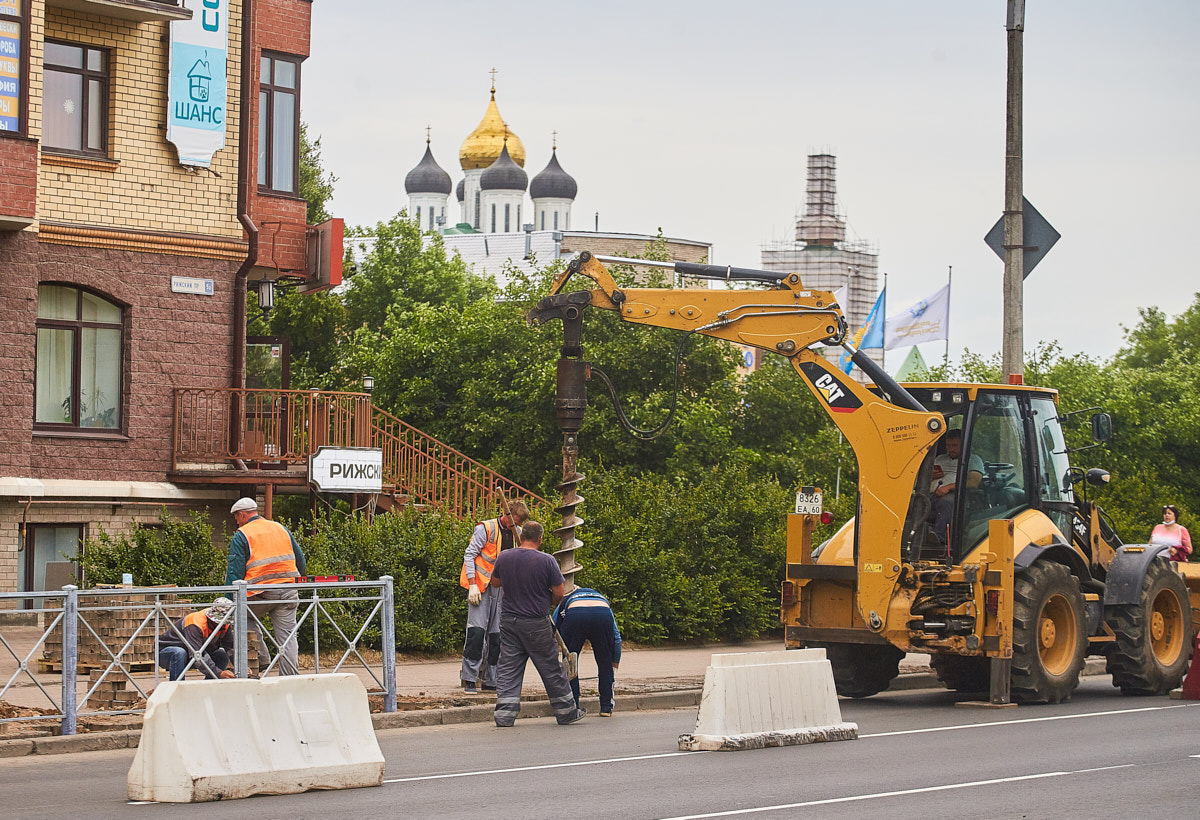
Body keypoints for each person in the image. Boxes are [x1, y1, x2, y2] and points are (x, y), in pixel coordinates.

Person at [490, 521, 586, 727]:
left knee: (508, 668)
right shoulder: (547, 561)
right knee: (550, 667)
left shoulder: (505, 556)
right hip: (536, 623)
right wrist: (547, 599)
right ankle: (566, 711)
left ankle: (504, 715)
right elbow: (559, 593)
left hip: (509, 622)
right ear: (540, 539)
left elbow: (495, 582)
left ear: (522, 535)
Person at [225, 497, 305, 676]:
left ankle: (260, 658)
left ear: (242, 515)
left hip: (262, 593)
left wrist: (228, 601)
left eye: (237, 517)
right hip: (289, 590)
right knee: (288, 638)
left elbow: (234, 573)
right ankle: (289, 680)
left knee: (239, 615)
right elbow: (300, 560)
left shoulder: (243, 534)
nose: (237, 521)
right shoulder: (280, 528)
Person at [459, 500, 529, 694]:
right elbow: (469, 555)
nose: (517, 524)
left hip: (503, 591)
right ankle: (470, 678)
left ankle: (491, 679)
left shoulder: (519, 534)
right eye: (515, 520)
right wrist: (472, 584)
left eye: (520, 522)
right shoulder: (486, 528)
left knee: (497, 637)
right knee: (476, 633)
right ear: (507, 514)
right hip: (481, 588)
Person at [553, 587, 622, 717]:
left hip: (575, 614)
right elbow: (616, 636)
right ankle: (606, 707)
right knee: (604, 661)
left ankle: (573, 705)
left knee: (571, 660)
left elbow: (554, 629)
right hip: (602, 615)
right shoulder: (601, 599)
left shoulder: (567, 598)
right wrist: (615, 663)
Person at [157, 597, 237, 681]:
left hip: (191, 655)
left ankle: (208, 690)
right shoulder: (195, 623)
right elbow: (197, 654)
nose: (222, 625)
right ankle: (177, 688)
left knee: (222, 654)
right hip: (166, 654)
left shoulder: (225, 624)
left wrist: (242, 667)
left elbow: (231, 648)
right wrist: (218, 673)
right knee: (179, 653)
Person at [929, 428, 984, 543]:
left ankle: (939, 538)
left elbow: (973, 482)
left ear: (964, 444)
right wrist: (931, 476)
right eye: (948, 445)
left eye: (955, 445)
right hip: (932, 494)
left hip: (957, 497)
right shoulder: (940, 458)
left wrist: (948, 487)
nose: (951, 449)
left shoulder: (973, 460)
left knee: (946, 502)